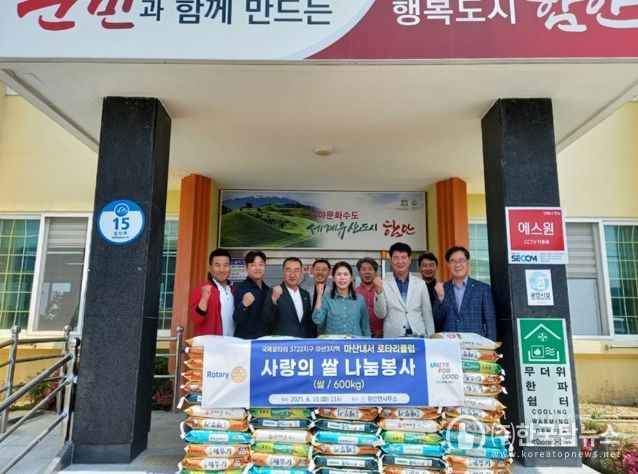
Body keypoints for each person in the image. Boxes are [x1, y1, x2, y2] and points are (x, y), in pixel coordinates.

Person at [433, 246, 497, 341]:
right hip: (449, 344)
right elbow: (438, 320)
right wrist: (441, 298)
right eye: (453, 261)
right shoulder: (442, 288)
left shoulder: (483, 288)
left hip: (475, 344)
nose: (457, 264)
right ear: (448, 265)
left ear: (468, 263)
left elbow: (490, 322)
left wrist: (491, 345)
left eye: (461, 260)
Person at [373, 242, 435, 338]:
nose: (400, 261)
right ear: (390, 260)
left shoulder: (420, 284)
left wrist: (431, 337)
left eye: (403, 257)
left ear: (409, 260)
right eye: (396, 258)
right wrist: (379, 292)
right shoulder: (383, 284)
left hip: (418, 336)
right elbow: (380, 314)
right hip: (394, 337)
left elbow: (427, 313)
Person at [312, 261, 371, 337]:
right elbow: (317, 320)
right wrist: (319, 295)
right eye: (339, 274)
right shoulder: (326, 298)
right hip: (333, 343)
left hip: (355, 343)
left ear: (351, 278)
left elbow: (365, 327)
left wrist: (367, 342)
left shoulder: (360, 299)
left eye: (346, 274)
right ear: (334, 278)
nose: (342, 278)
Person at [262, 257, 316, 338]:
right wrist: (273, 300)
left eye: (296, 270)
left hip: (302, 343)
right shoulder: (274, 291)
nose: (292, 275)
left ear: (301, 272)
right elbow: (266, 320)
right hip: (283, 343)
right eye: (288, 270)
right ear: (283, 271)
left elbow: (308, 323)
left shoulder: (305, 295)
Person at [189, 248, 235, 337]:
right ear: (210, 268)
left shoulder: (234, 290)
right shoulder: (201, 290)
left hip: (232, 343)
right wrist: (204, 299)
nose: (222, 269)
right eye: (217, 265)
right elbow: (196, 320)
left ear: (230, 267)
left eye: (226, 265)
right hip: (210, 344)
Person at [233, 250, 270, 339]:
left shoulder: (267, 290)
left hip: (264, 340)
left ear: (265, 267)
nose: (257, 268)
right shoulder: (242, 289)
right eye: (253, 265)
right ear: (246, 268)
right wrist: (244, 305)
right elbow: (236, 319)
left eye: (261, 264)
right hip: (247, 342)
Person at [355, 257, 383, 338]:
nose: (367, 272)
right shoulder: (353, 292)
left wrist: (382, 331)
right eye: (363, 269)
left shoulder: (383, 290)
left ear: (375, 272)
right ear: (359, 272)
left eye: (370, 269)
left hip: (382, 335)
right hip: (360, 335)